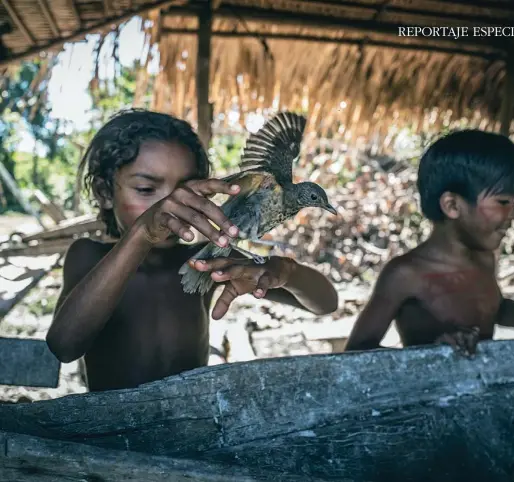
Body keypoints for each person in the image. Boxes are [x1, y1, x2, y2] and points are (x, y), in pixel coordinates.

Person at [47, 109, 338, 391]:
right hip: (109, 434)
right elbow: (64, 346)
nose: (170, 204)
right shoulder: (88, 255)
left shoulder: (207, 260)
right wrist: (141, 234)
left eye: (186, 190)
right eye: (147, 190)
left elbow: (326, 303)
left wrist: (285, 271)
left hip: (192, 424)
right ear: (104, 192)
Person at [344, 129, 514, 355]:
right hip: (431, 389)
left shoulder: (484, 259)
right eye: (503, 202)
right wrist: (433, 352)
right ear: (452, 206)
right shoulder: (405, 274)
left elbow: (495, 310)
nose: (513, 214)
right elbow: (357, 350)